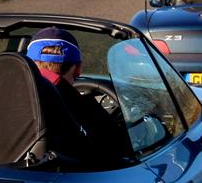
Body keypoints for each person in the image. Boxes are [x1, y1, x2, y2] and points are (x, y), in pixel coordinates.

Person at [24, 26, 132, 163]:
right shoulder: (88, 110)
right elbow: (119, 154)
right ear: (78, 69)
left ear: (27, 65)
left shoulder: (4, 104)